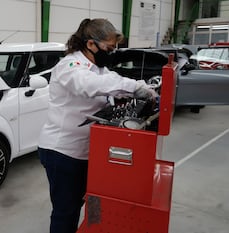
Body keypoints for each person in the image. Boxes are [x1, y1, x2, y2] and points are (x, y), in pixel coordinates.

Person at [37, 18, 157, 233]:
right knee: (66, 211)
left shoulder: (97, 67)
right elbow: (90, 85)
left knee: (90, 200)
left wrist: (144, 88)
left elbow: (112, 80)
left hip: (88, 150)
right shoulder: (69, 66)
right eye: (109, 48)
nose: (111, 53)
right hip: (62, 151)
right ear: (91, 44)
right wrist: (134, 87)